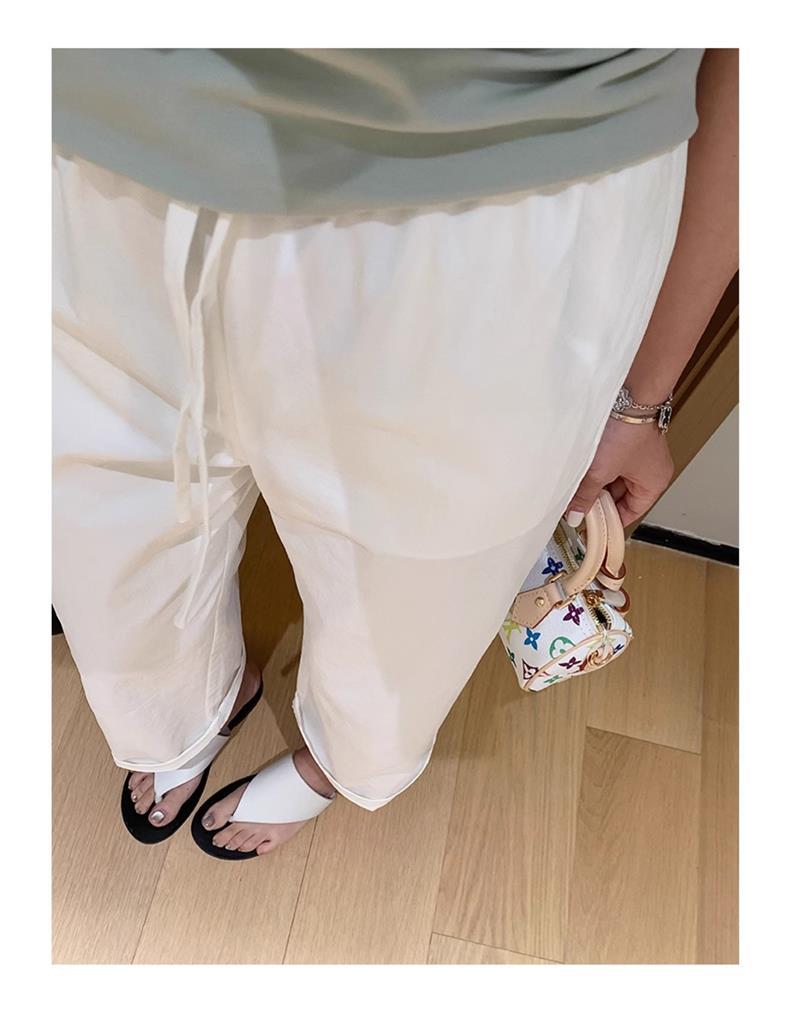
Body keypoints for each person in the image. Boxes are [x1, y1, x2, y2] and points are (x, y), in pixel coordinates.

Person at [52, 48, 738, 860]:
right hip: (90, 135)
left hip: (500, 188)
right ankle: (188, 709)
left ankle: (340, 760)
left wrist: (643, 396)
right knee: (105, 529)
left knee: (414, 597)